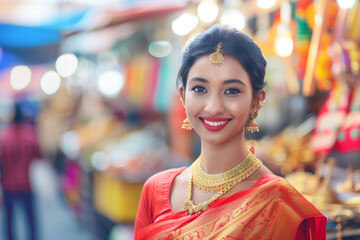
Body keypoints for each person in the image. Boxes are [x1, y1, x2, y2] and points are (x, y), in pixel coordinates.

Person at [134, 25, 327, 239]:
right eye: (199, 89)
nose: (213, 107)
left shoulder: (278, 204)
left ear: (257, 100)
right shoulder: (155, 190)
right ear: (183, 96)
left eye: (231, 91)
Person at [0, 103, 41, 240]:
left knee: (9, 219)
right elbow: (39, 154)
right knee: (30, 218)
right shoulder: (29, 134)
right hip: (26, 183)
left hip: (8, 183)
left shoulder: (3, 137)